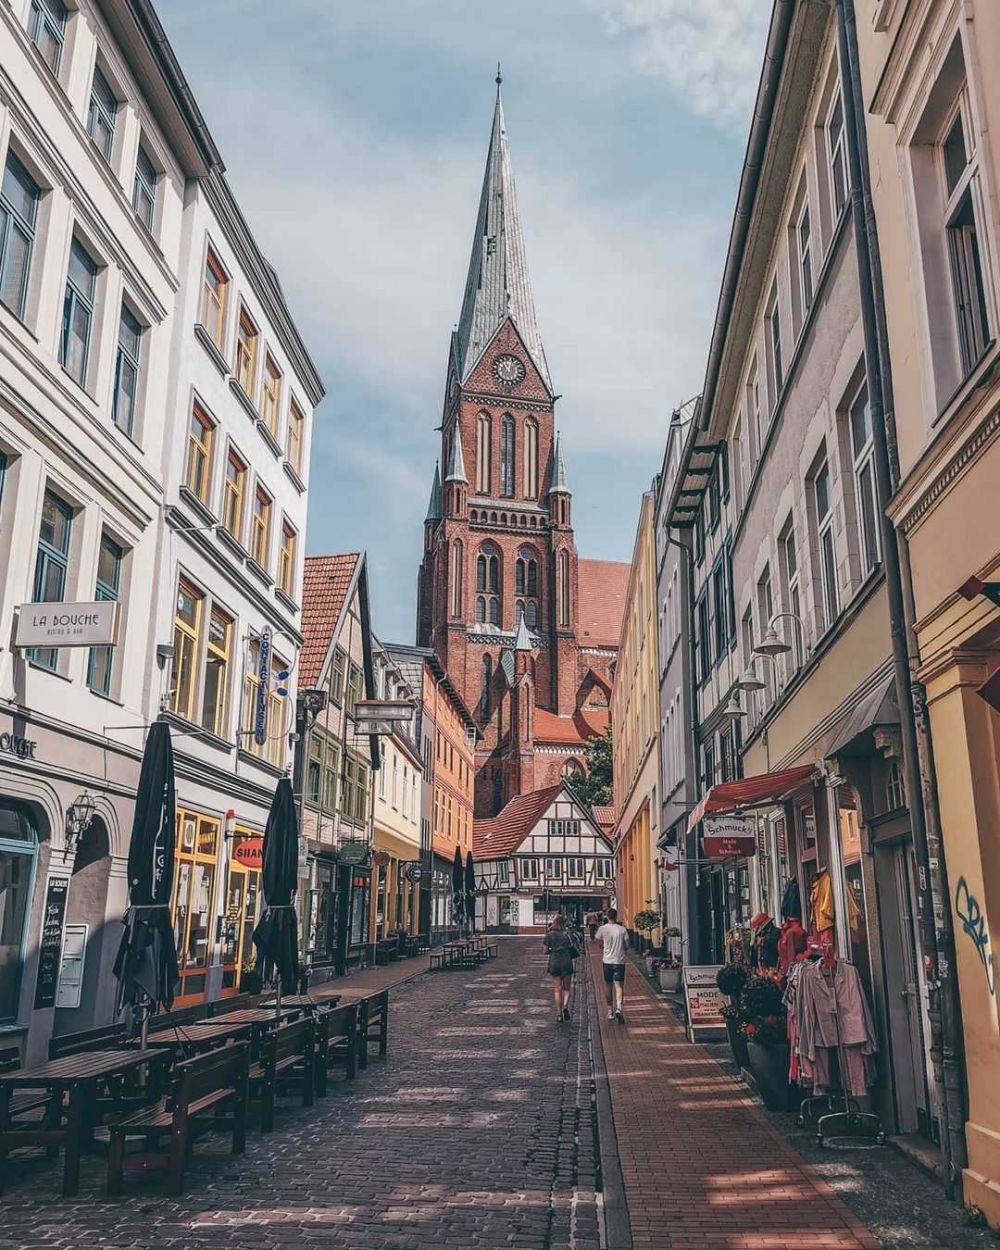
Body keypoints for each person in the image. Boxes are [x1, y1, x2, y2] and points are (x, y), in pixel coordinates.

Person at [596, 907, 629, 1023]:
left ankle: (610, 1011)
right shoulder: (622, 930)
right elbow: (626, 946)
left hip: (607, 961)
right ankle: (619, 1008)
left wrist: (605, 946)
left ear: (607, 917)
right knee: (619, 986)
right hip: (619, 961)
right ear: (616, 917)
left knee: (608, 986)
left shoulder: (602, 929)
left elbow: (599, 943)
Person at [543, 914, 576, 1022]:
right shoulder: (568, 934)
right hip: (566, 961)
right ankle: (566, 1006)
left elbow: (545, 951)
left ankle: (559, 1014)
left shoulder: (549, 935)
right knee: (566, 989)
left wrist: (553, 949)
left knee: (557, 990)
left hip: (554, 962)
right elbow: (573, 946)